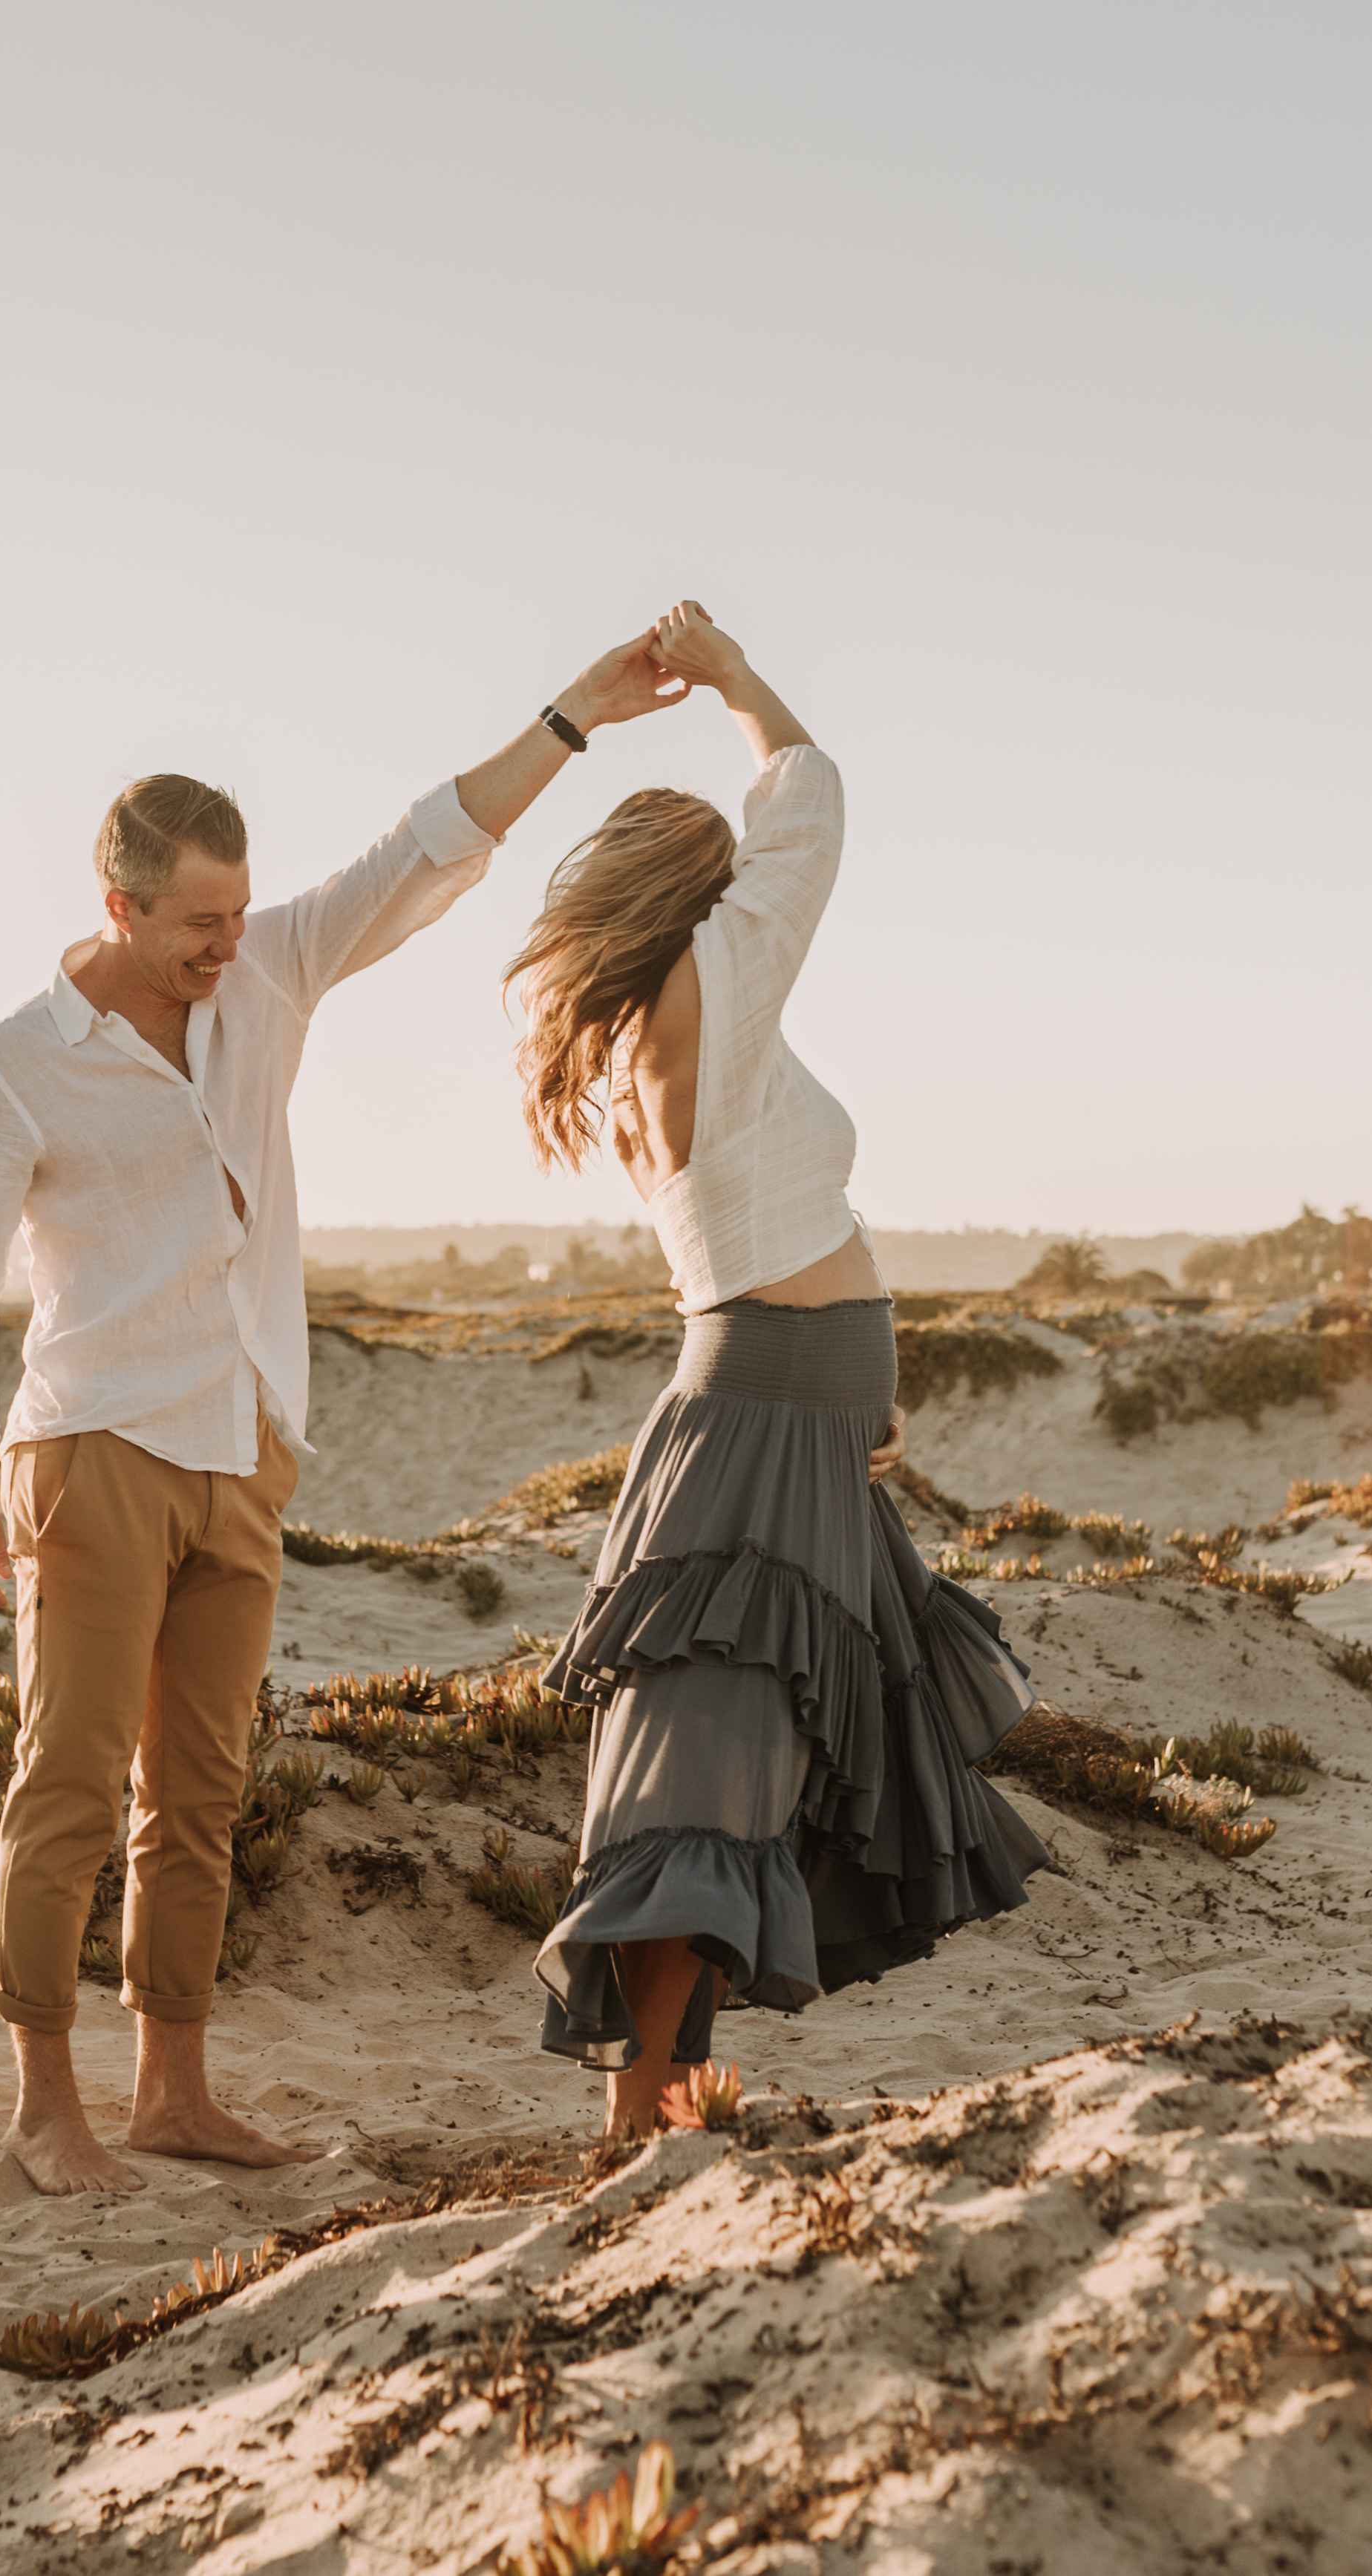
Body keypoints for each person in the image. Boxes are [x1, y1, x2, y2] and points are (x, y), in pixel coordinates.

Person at [0, 633, 689, 2194]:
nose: (225, 943)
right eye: (196, 920)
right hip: (93, 1443)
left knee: (198, 1792)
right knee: (68, 1779)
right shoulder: (11, 1069)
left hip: (240, 1441)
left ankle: (173, 2090)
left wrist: (573, 716)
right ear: (115, 901)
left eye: (236, 911)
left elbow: (425, 851)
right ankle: (42, 2102)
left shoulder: (267, 968)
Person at [504, 601, 1049, 2140]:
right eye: (723, 875)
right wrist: (736, 677)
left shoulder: (644, 1031)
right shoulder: (711, 987)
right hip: (761, 1403)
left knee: (761, 1740)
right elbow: (806, 798)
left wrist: (851, 1385)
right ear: (698, 892)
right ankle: (640, 2106)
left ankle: (662, 2085)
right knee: (715, 1745)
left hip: (783, 1398)